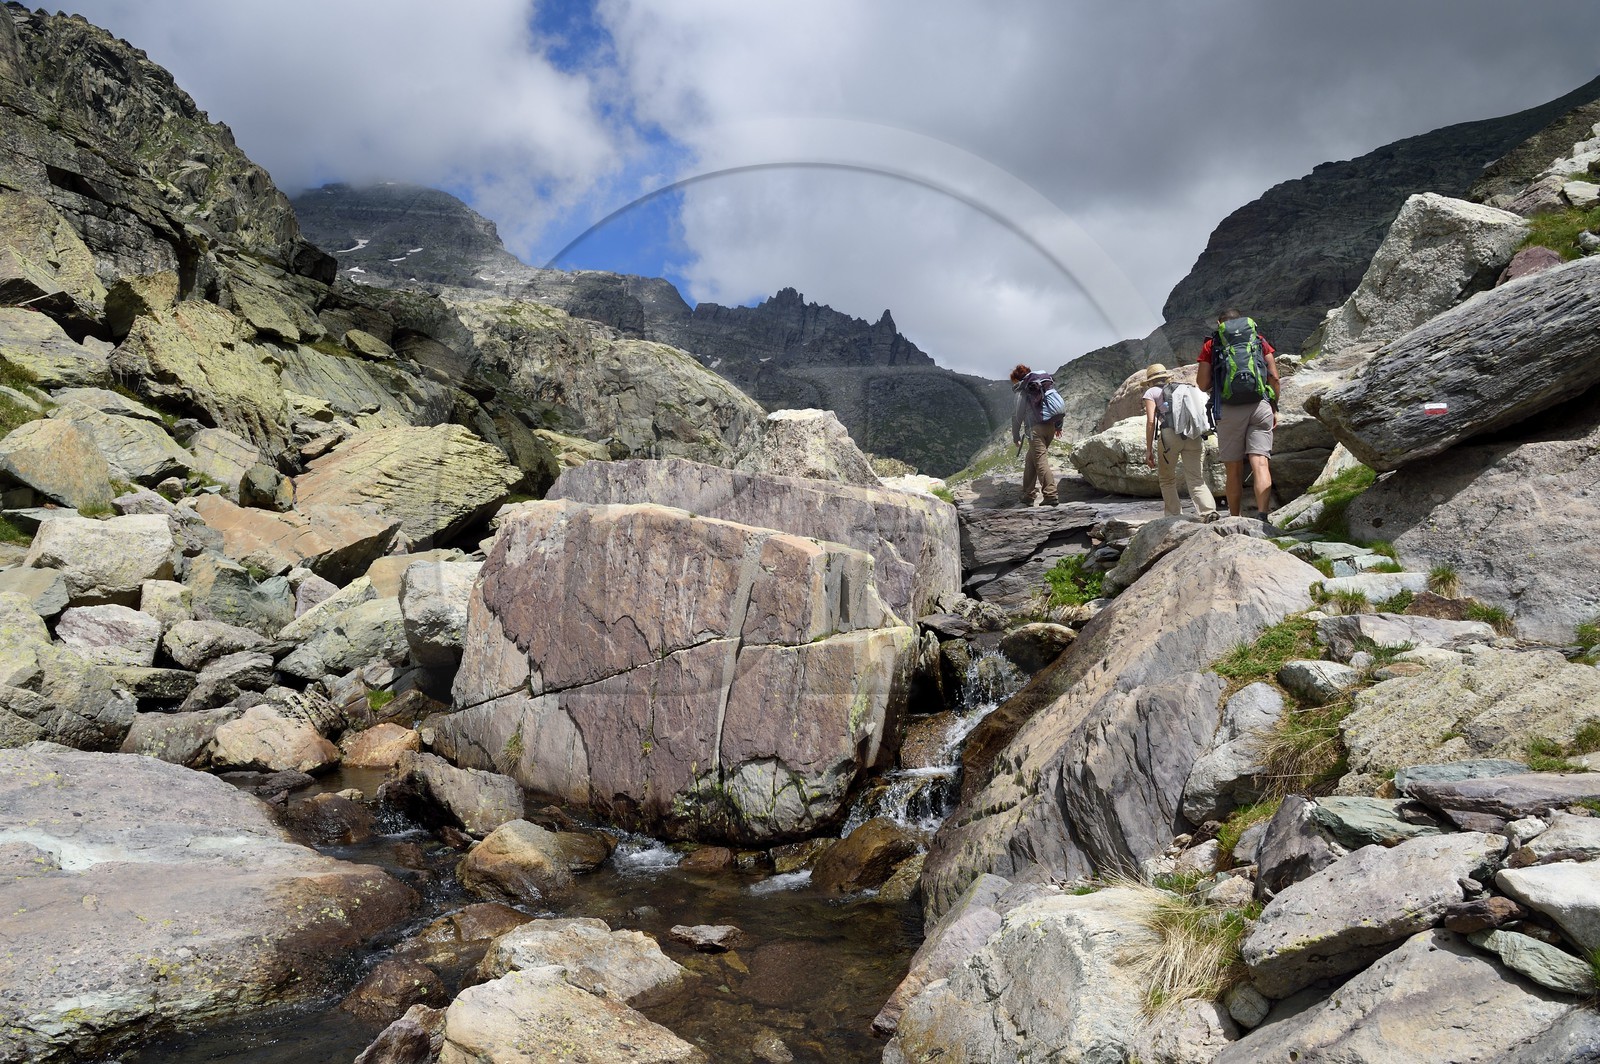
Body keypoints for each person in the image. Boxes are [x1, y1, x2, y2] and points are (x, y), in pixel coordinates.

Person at [1195, 309, 1280, 518]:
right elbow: (1274, 378)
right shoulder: (1258, 340)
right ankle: (1262, 516)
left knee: (1233, 470)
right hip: (1260, 406)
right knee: (1260, 463)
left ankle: (1234, 518)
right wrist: (1275, 406)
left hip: (1228, 409)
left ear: (1219, 323)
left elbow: (1202, 384)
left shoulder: (1212, 344)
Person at [1141, 364, 1218, 521]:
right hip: (1193, 434)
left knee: (1167, 479)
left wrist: (1149, 450)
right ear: (1167, 377)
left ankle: (1174, 516)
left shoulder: (1151, 392)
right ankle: (1209, 512)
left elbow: (1150, 422)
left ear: (1150, 381)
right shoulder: (1183, 388)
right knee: (1196, 478)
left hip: (1170, 436)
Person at [1010, 363, 1061, 506]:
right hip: (1050, 427)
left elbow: (1017, 415)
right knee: (1030, 460)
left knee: (1040, 461)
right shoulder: (1044, 385)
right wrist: (1058, 425)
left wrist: (1016, 436)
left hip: (1035, 430)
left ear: (1017, 379)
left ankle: (1050, 495)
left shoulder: (1023, 389)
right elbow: (1054, 405)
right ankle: (1028, 495)